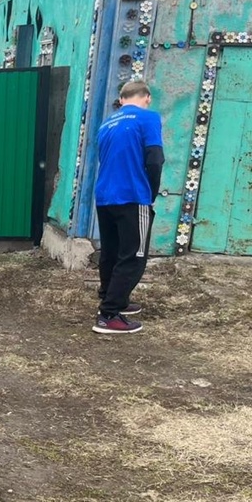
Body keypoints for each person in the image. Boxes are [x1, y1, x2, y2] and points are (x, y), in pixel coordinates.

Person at [92, 80, 164, 335]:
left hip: (104, 196)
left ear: (121, 100)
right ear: (147, 97)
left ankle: (111, 298)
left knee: (110, 252)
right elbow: (155, 159)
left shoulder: (106, 124)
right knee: (134, 256)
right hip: (133, 195)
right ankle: (109, 314)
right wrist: (150, 193)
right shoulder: (148, 118)